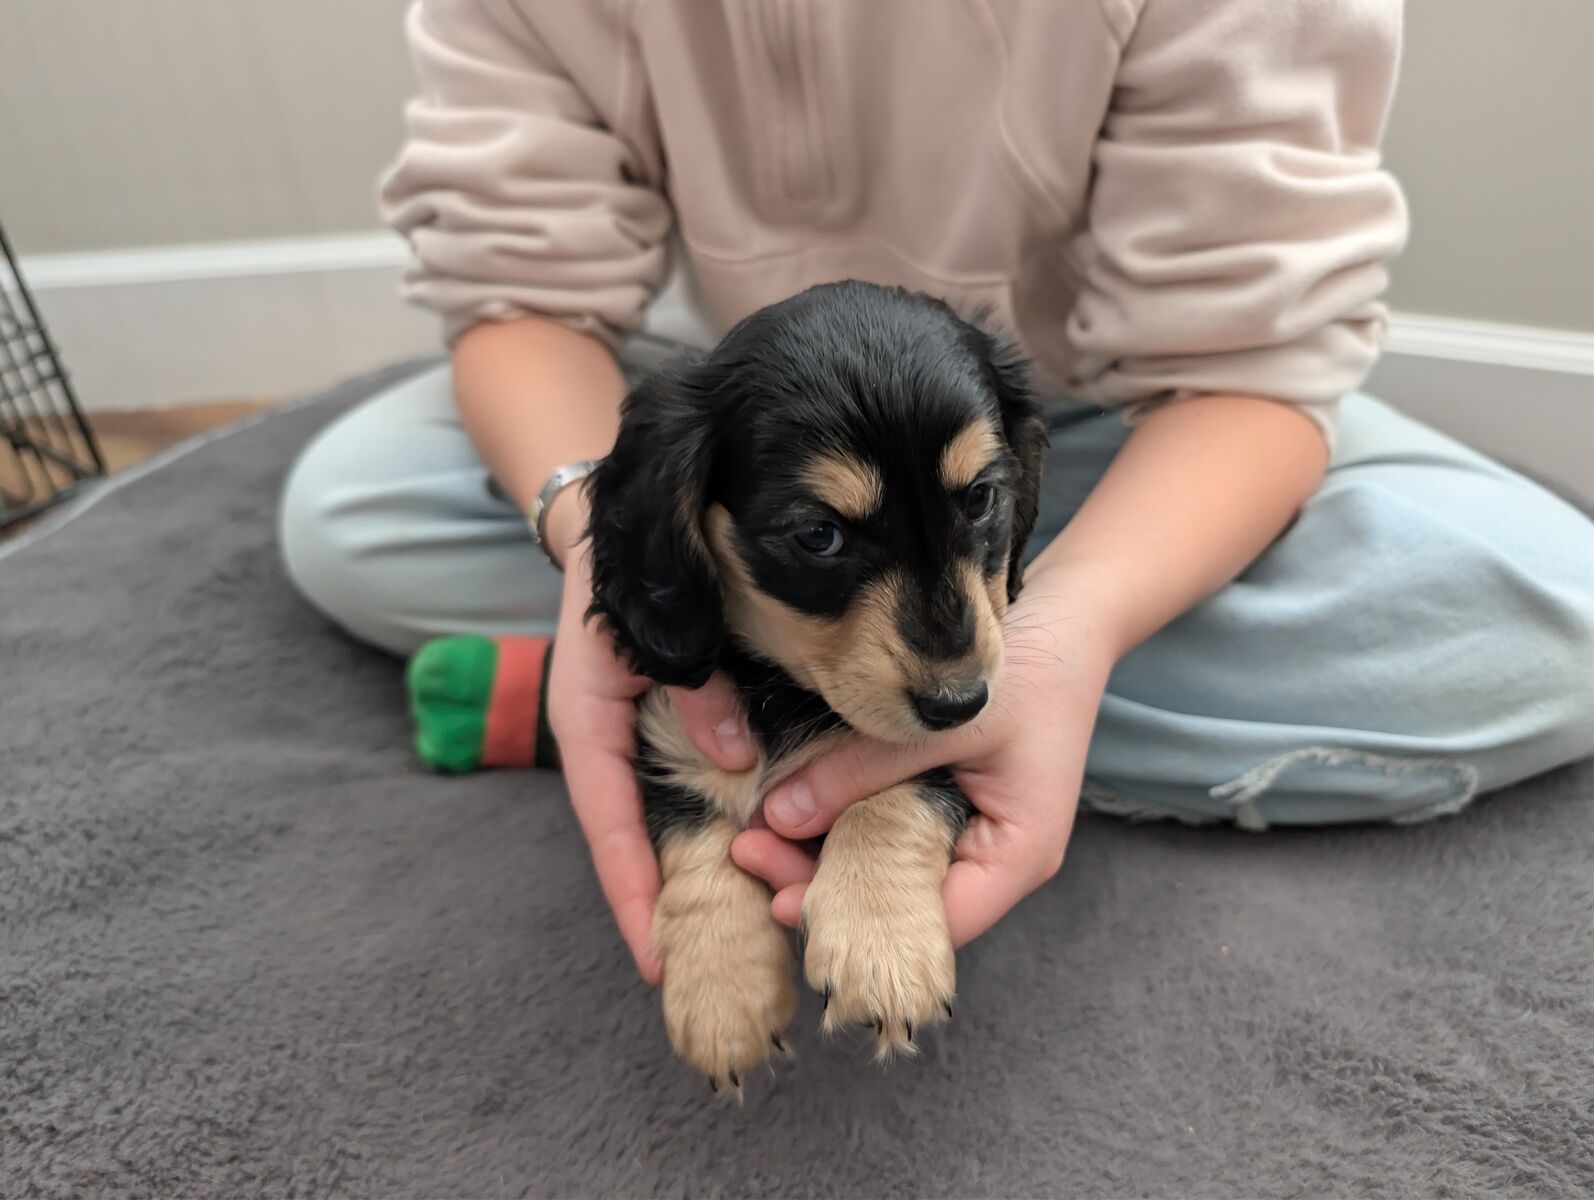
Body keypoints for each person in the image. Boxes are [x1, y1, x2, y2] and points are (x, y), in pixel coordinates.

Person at [279, 0, 1594, 984]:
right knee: (349, 510)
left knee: (1551, 622)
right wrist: (592, 540)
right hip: (740, 415)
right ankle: (687, 664)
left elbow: (1251, 370)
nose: (958, 666)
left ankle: (707, 717)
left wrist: (1066, 633)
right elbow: (519, 287)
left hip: (1110, 419)